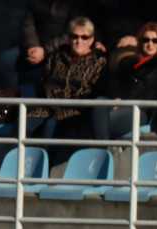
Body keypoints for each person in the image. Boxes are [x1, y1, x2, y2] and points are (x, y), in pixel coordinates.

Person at [27, 17, 108, 146]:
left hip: (75, 110)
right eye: (74, 36)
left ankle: (44, 165)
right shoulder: (57, 56)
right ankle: (19, 164)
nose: (79, 41)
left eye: (84, 37)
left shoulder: (99, 60)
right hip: (47, 106)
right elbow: (43, 82)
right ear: (69, 38)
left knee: (51, 126)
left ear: (91, 40)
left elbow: (96, 89)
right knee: (25, 124)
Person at [0, 0, 99, 90]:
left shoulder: (74, 3)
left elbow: (73, 32)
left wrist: (45, 51)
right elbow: (28, 25)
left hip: (61, 48)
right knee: (5, 60)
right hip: (35, 47)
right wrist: (32, 46)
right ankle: (11, 99)